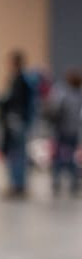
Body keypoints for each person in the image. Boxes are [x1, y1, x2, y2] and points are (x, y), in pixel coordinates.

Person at [0, 50, 35, 199]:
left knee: (16, 154)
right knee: (18, 154)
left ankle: (17, 185)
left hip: (16, 120)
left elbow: (14, 101)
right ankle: (18, 184)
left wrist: (1, 102)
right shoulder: (24, 79)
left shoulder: (20, 80)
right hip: (20, 120)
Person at [43, 68, 82, 196]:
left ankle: (56, 181)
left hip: (61, 130)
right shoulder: (79, 95)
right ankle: (73, 182)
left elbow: (54, 110)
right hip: (74, 130)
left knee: (58, 156)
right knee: (71, 156)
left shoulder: (63, 94)